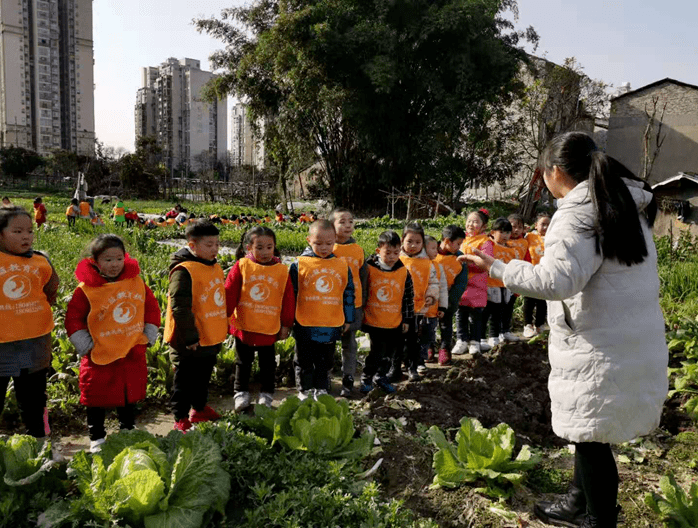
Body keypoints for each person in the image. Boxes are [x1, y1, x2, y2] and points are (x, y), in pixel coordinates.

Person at [465, 132, 668, 528]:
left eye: (544, 173)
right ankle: (578, 502)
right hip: (629, 335)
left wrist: (496, 268)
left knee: (590, 437)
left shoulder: (577, 212)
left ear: (555, 171)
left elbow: (557, 283)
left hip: (598, 341)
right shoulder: (622, 204)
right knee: (588, 427)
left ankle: (598, 519)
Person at [65, 235, 160, 452]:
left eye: (118, 258)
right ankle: (96, 436)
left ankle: (127, 429)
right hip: (99, 352)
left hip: (131, 350)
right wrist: (86, 345)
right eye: (108, 260)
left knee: (129, 395)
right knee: (95, 397)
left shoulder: (136, 282)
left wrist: (148, 334)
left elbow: (152, 308)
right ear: (95, 262)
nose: (114, 264)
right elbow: (73, 318)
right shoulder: (85, 289)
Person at [163, 220, 228, 431]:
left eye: (217, 244)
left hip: (209, 335)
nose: (215, 249)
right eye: (209, 245)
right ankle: (180, 417)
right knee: (184, 381)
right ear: (192, 246)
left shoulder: (214, 265)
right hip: (188, 340)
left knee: (203, 376)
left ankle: (199, 409)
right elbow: (180, 308)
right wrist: (190, 338)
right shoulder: (183, 271)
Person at [0, 206, 59, 438]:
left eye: (29, 231)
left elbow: (51, 289)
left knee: (33, 399)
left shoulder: (40, 261)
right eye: (17, 231)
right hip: (1, 346)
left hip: (32, 345)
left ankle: (39, 443)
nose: (26, 237)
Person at [225, 226, 295, 411]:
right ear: (249, 248)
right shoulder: (242, 266)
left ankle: (267, 394)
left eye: (269, 247)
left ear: (275, 247)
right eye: (260, 247)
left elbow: (288, 299)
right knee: (242, 361)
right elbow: (229, 293)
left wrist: (286, 324)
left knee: (268, 363)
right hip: (244, 324)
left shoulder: (281, 270)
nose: (265, 252)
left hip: (269, 325)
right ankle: (240, 393)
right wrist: (224, 317)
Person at [289, 220, 354, 400]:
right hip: (304, 322)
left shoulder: (341, 265)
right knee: (304, 359)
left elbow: (348, 293)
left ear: (335, 241)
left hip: (331, 322)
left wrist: (348, 318)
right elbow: (291, 294)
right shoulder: (299, 265)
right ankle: (305, 389)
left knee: (325, 359)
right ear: (309, 240)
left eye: (328, 243)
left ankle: (322, 387)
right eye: (318, 243)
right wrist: (288, 320)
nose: (324, 247)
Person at [360, 230, 413, 394]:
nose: (392, 257)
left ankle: (381, 376)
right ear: (378, 251)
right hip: (374, 319)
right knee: (376, 351)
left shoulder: (403, 272)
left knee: (390, 352)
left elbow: (407, 297)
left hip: (394, 320)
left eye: (396, 253)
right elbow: (362, 291)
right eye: (387, 253)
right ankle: (367, 377)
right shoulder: (369, 268)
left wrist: (407, 319)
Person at [390, 222, 440, 382]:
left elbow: (433, 282)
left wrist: (431, 297)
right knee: (396, 340)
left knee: (413, 340)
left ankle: (412, 368)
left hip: (417, 308)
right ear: (402, 240)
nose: (413, 245)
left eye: (418, 242)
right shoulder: (396, 259)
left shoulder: (427, 263)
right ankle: (395, 368)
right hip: (397, 308)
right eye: (409, 241)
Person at [330, 208, 367, 396]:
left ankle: (348, 378)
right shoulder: (328, 247)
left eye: (350, 222)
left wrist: (364, 302)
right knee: (328, 342)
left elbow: (363, 277)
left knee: (350, 343)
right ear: (331, 225)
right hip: (330, 304)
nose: (347, 225)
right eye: (342, 222)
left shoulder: (358, 249)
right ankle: (325, 378)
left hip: (354, 303)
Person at [454, 209, 494, 355]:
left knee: (476, 314)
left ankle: (475, 342)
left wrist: (466, 262)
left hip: (477, 283)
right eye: (469, 221)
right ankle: (461, 340)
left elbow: (485, 262)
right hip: (460, 282)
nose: (471, 224)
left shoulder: (486, 242)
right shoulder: (461, 238)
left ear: (483, 226)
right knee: (460, 313)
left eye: (475, 222)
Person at [432, 225, 468, 364]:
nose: (459, 247)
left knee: (446, 325)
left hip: (448, 299)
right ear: (447, 241)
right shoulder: (431, 253)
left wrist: (452, 299)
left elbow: (461, 282)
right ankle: (428, 348)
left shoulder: (459, 259)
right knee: (428, 325)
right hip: (429, 299)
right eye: (458, 244)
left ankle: (444, 349)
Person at [498, 213, 528, 342]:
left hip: (516, 278)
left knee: (509, 306)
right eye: (513, 226)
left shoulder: (525, 241)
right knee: (498, 307)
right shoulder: (503, 241)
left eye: (519, 227)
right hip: (500, 278)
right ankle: (497, 332)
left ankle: (506, 330)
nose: (515, 230)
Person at [522, 212, 551, 338]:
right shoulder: (529, 236)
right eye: (542, 224)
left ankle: (539, 325)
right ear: (536, 225)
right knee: (529, 300)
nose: (545, 227)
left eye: (548, 225)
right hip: (531, 273)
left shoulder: (552, 237)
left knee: (542, 302)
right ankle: (527, 325)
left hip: (546, 274)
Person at [423, 235, 448, 365]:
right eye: (432, 248)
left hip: (433, 310)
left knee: (430, 332)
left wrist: (442, 306)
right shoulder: (416, 265)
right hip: (417, 310)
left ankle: (428, 349)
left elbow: (442, 288)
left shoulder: (438, 266)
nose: (436, 251)